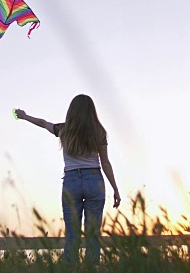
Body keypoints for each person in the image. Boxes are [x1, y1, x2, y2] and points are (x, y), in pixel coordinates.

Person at [15, 94, 120, 265]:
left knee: (72, 234)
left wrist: (25, 116)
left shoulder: (63, 130)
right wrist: (115, 189)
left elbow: (43, 123)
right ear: (91, 112)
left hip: (71, 182)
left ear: (72, 111)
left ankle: (70, 267)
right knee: (93, 234)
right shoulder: (99, 132)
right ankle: (92, 268)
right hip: (94, 180)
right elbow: (105, 162)